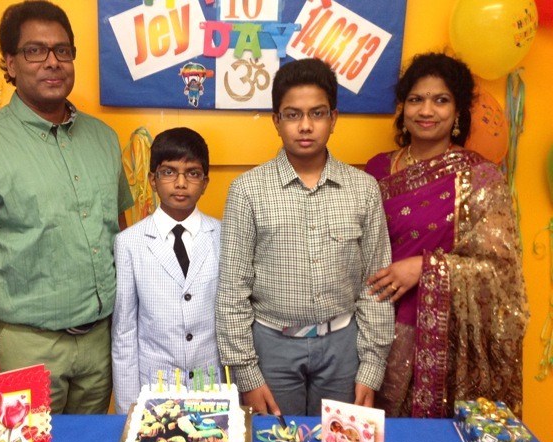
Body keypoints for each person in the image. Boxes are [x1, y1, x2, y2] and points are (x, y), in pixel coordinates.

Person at [0, 0, 133, 414]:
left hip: (100, 348)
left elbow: (120, 236)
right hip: (23, 350)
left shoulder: (104, 139)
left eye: (62, 50)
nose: (52, 62)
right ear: (9, 63)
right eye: (34, 51)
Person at [215, 58, 395, 416]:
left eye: (317, 113)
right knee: (275, 440)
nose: (306, 126)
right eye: (293, 115)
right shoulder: (247, 191)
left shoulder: (363, 189)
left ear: (334, 118)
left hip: (344, 348)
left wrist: (372, 366)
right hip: (272, 348)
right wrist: (246, 373)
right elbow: (232, 290)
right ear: (276, 121)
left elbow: (375, 285)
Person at [364, 52, 529, 418]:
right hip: (373, 325)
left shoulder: (480, 178)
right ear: (403, 108)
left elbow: (501, 271)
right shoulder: (377, 169)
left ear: (457, 113)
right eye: (416, 99)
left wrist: (426, 268)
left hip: (440, 338)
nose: (426, 110)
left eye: (441, 100)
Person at [112, 127, 221, 414]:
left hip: (211, 386)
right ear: (153, 180)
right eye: (169, 172)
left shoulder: (223, 236)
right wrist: (128, 408)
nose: (181, 183)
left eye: (192, 173)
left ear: (205, 182)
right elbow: (124, 332)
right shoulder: (129, 242)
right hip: (155, 388)